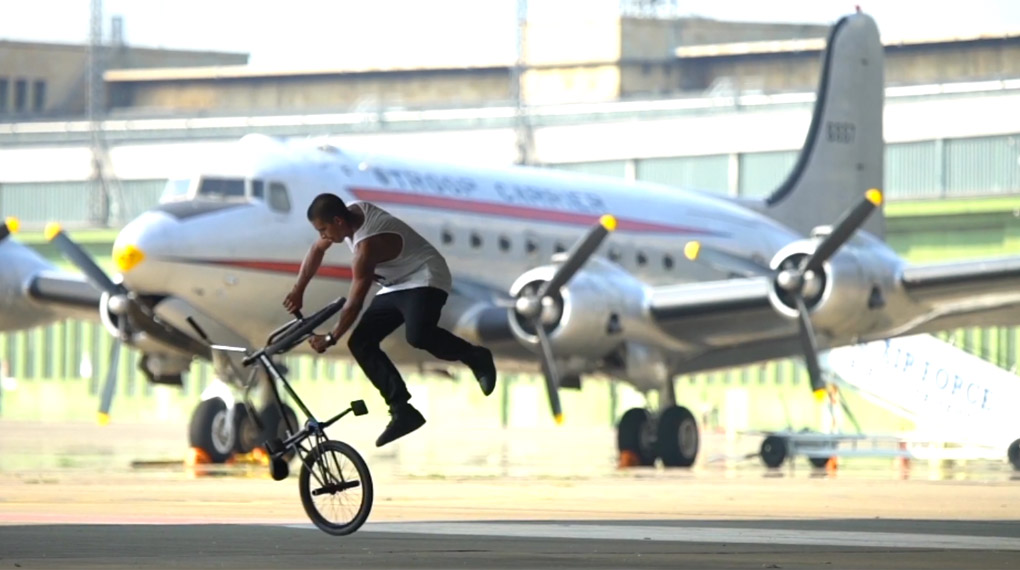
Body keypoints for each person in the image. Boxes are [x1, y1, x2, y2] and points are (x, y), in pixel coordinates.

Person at [283, 192, 497, 447]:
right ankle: (401, 410)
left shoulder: (366, 246)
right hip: (395, 284)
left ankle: (476, 357)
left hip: (424, 276)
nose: (323, 237)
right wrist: (298, 289)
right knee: (361, 342)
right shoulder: (348, 215)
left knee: (418, 336)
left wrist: (330, 338)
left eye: (324, 229)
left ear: (338, 221)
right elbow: (316, 250)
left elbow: (354, 304)